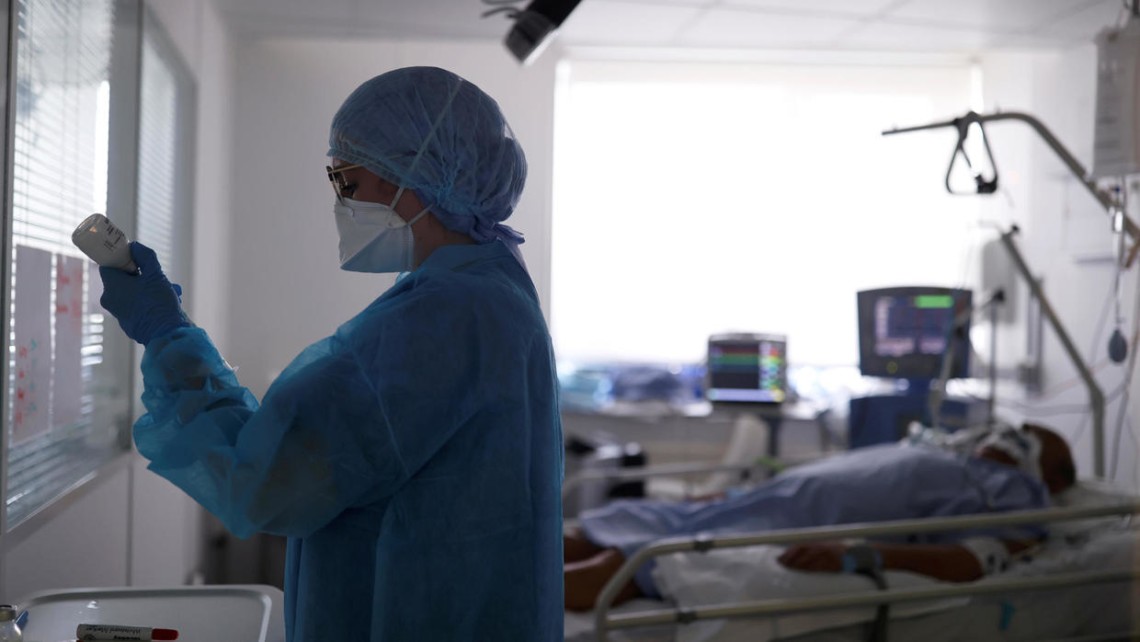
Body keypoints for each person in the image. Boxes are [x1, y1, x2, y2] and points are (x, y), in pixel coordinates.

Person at [98, 67, 564, 641]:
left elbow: (261, 483)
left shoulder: (442, 318)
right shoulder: (496, 291)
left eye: (345, 179)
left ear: (411, 176)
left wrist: (167, 335)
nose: (339, 200)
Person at [564, 422, 1075, 611]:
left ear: (1049, 475)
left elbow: (973, 560)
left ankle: (515, 610)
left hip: (776, 526)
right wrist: (734, 494)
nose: (1007, 435)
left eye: (1027, 438)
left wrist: (859, 556)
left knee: (627, 563)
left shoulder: (1017, 496)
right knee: (605, 524)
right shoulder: (941, 452)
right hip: (758, 500)